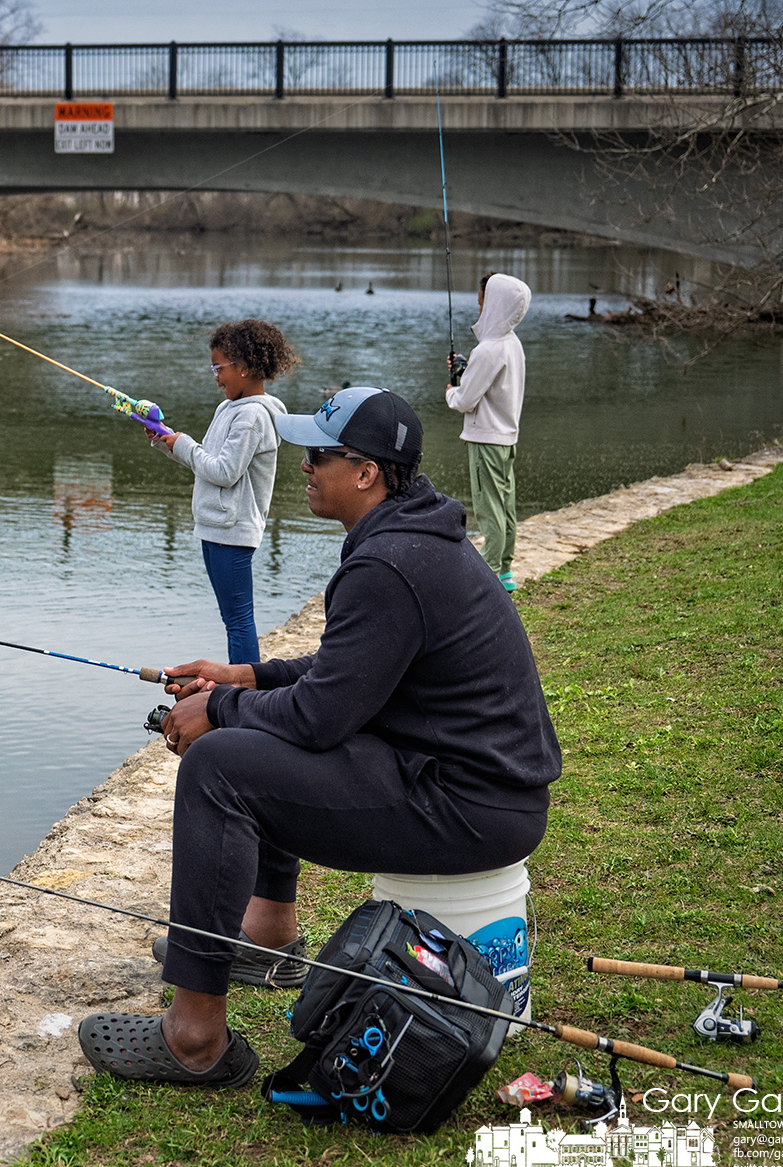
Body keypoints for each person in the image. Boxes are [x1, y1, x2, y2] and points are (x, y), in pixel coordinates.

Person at [77, 387, 560, 1087]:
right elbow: (350, 673)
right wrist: (247, 674)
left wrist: (219, 709)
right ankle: (268, 939)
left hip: (465, 807)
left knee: (218, 766)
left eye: (318, 455)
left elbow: (319, 717)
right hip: (476, 790)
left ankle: (193, 1039)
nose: (303, 465)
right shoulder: (412, 538)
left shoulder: (386, 563)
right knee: (253, 741)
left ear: (365, 472)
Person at [151, 320, 295, 664]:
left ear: (244, 368)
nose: (215, 376)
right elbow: (207, 461)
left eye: (219, 367)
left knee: (238, 621)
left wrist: (182, 444)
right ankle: (241, 688)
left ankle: (245, 693)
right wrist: (166, 442)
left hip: (234, 531)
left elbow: (225, 473)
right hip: (215, 526)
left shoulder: (253, 417)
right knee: (231, 619)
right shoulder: (229, 409)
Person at [446, 271, 531, 591]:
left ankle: (491, 571)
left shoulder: (488, 350)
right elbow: (493, 387)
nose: (480, 307)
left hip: (486, 440)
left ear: (493, 303)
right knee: (506, 503)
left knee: (489, 505)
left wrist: (451, 390)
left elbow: (466, 400)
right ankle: (505, 569)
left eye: (482, 301)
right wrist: (465, 371)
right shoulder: (512, 344)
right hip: (507, 437)